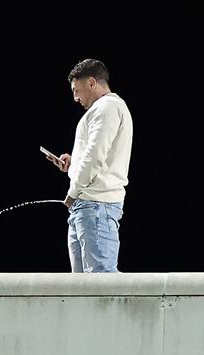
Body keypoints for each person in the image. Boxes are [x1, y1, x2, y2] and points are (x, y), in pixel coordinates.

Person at [49, 59, 133, 273]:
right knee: (83, 291)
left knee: (101, 285)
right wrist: (73, 162)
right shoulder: (105, 110)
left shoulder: (107, 107)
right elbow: (96, 156)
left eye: (77, 91)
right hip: (87, 207)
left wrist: (73, 191)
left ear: (92, 83)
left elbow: (95, 158)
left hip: (96, 206)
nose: (75, 98)